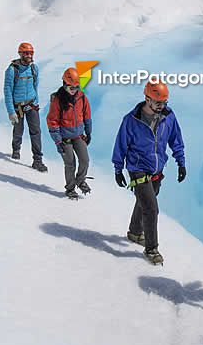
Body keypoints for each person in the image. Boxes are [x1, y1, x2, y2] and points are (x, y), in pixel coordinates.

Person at [111, 79, 186, 265]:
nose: (162, 106)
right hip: (138, 169)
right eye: (158, 102)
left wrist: (181, 162)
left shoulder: (168, 116)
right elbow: (121, 144)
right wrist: (118, 169)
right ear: (147, 99)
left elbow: (176, 139)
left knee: (144, 202)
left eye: (164, 102)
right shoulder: (131, 120)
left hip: (157, 169)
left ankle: (135, 232)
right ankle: (151, 249)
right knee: (151, 209)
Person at [47, 67, 93, 199]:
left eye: (76, 87)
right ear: (64, 85)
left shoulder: (82, 97)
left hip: (78, 136)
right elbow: (52, 120)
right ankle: (70, 188)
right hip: (64, 139)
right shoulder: (58, 100)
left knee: (85, 160)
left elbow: (87, 116)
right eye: (71, 88)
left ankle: (80, 180)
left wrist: (88, 133)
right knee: (70, 164)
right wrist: (57, 141)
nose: (74, 91)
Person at [4, 42, 46, 172]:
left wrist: (36, 102)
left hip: (32, 105)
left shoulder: (34, 68)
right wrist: (11, 112)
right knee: (18, 130)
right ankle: (16, 149)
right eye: (26, 53)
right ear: (20, 54)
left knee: (36, 132)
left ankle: (37, 160)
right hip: (18, 107)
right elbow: (7, 91)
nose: (29, 55)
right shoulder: (12, 70)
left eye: (31, 53)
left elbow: (35, 86)